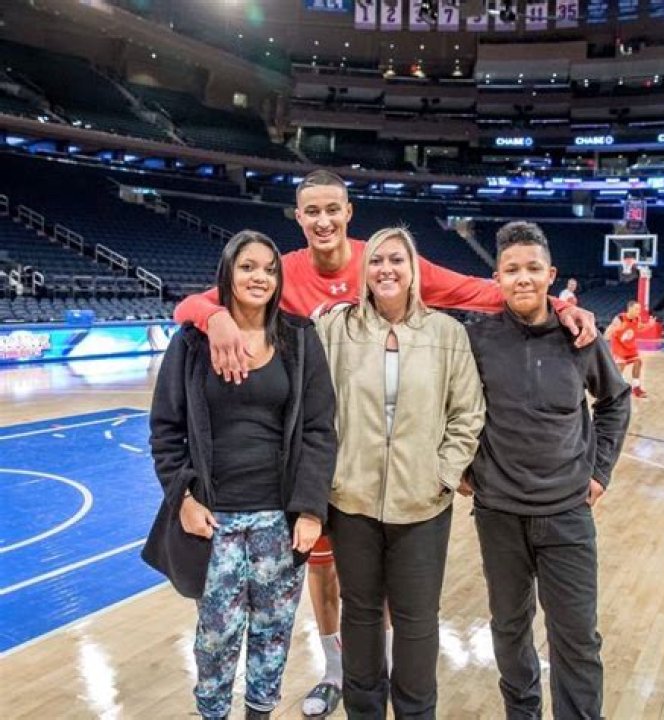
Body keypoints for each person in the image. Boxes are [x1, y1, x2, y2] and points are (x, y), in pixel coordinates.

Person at [173, 169, 597, 717]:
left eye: (333, 209)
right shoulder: (285, 274)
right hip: (324, 477)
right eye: (312, 211)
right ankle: (335, 672)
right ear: (298, 217)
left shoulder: (399, 279)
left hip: (412, 492)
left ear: (349, 213)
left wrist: (558, 305)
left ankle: (399, 685)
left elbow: (487, 292)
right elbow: (197, 303)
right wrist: (214, 318)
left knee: (402, 606)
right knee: (330, 580)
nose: (323, 220)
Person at [142, 231, 337, 720]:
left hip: (280, 520)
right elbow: (165, 431)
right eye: (248, 266)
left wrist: (310, 509)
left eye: (270, 269)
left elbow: (319, 430)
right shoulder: (191, 343)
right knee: (215, 640)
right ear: (227, 272)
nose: (260, 277)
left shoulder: (300, 339)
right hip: (215, 521)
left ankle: (259, 714)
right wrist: (184, 499)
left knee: (273, 636)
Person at [465, 222, 631, 720]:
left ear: (550, 275)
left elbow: (615, 401)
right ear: (497, 277)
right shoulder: (475, 339)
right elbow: (450, 408)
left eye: (533, 268)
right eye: (512, 269)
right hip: (499, 513)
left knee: (576, 636)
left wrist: (600, 470)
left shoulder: (580, 337)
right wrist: (464, 467)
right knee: (509, 628)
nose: (523, 278)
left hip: (567, 514)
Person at [316, 226, 484, 718]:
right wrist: (331, 474)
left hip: (423, 504)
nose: (385, 269)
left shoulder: (447, 333)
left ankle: (415, 711)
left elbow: (468, 412)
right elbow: (314, 406)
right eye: (376, 260)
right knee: (361, 614)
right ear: (363, 270)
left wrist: (444, 473)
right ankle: (364, 710)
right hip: (351, 501)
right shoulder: (336, 328)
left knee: (417, 620)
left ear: (413, 271)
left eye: (397, 260)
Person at [604, 299, 650, 398]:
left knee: (638, 362)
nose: (639, 311)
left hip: (630, 347)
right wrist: (604, 341)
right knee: (621, 366)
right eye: (636, 309)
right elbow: (609, 330)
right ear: (630, 308)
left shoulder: (637, 319)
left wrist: (649, 325)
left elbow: (640, 327)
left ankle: (636, 388)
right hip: (619, 346)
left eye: (639, 309)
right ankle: (613, 389)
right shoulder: (620, 318)